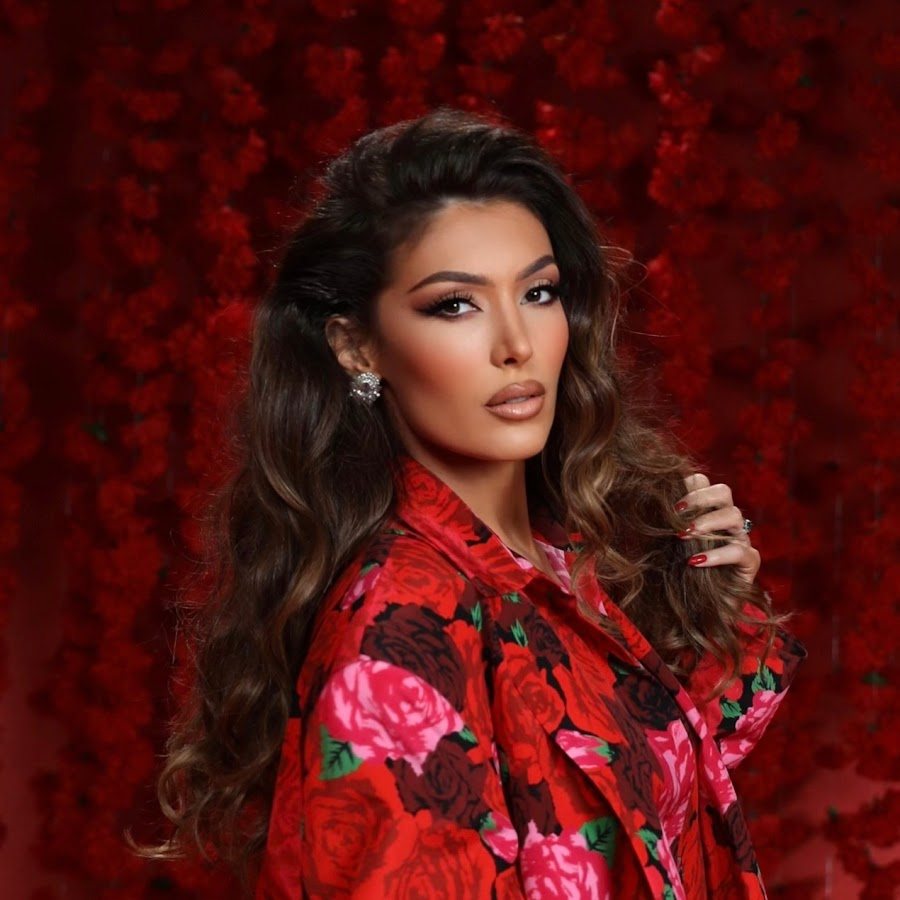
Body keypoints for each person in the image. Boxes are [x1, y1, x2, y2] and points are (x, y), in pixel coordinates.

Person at [133, 106, 806, 898]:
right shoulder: (401, 627)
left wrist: (716, 605)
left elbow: (648, 815)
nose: (516, 345)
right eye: (456, 304)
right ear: (357, 346)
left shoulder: (550, 564)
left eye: (540, 292)